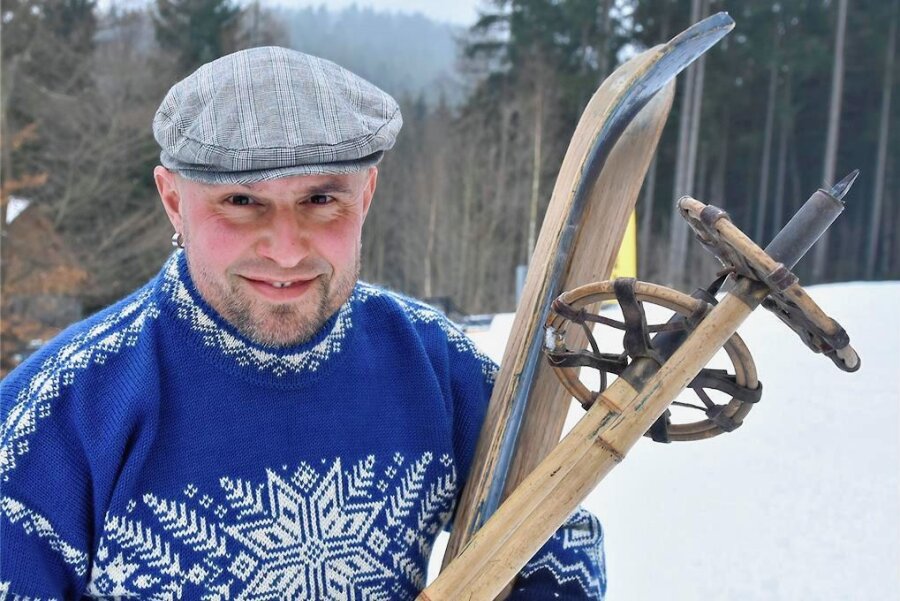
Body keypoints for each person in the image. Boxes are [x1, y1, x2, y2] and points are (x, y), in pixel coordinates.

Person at [0, 47, 605, 599]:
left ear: (365, 195)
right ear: (173, 199)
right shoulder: (56, 414)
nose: (287, 250)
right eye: (242, 201)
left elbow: (559, 538)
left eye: (321, 200)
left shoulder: (434, 366)